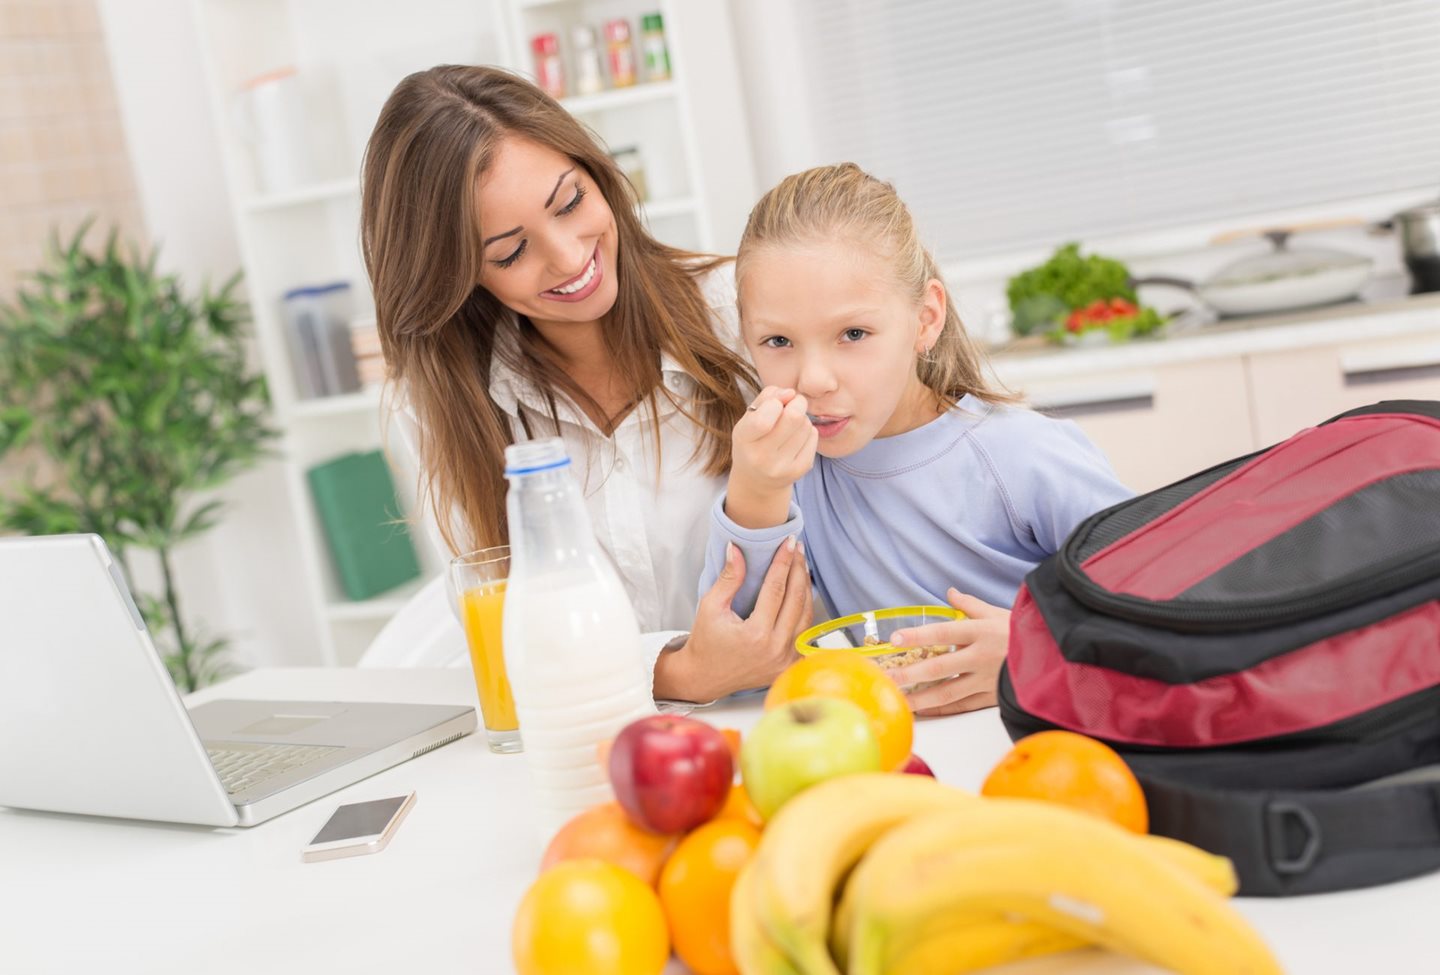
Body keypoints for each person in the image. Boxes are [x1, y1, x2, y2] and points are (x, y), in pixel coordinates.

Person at [359, 65, 812, 703]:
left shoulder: (737, 312)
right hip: (600, 742)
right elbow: (509, 641)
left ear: (595, 171)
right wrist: (680, 674)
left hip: (800, 709)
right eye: (511, 252)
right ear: (458, 277)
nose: (572, 258)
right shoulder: (450, 409)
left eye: (570, 203)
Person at [699, 163, 1134, 715]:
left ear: (925, 318)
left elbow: (1169, 597)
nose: (812, 380)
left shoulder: (1018, 456)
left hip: (1038, 747)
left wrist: (1041, 651)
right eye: (778, 340)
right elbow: (738, 669)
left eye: (852, 334)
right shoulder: (792, 475)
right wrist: (756, 490)